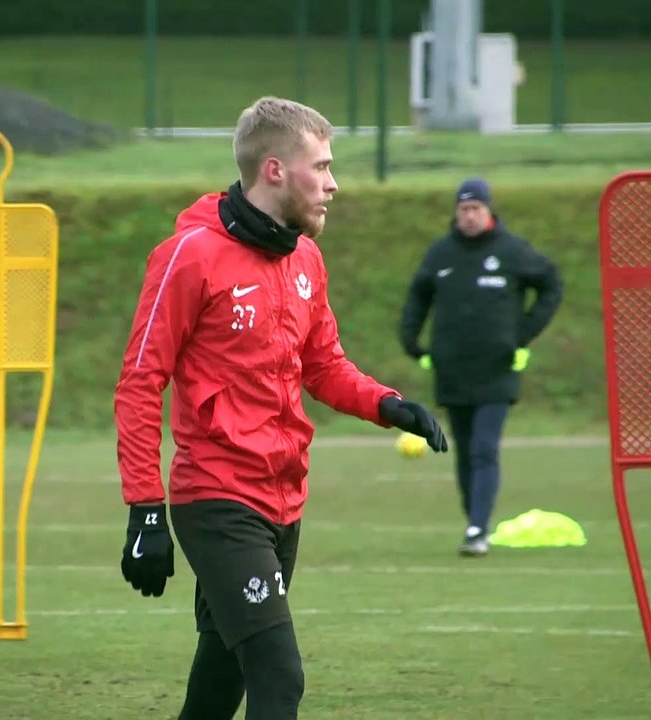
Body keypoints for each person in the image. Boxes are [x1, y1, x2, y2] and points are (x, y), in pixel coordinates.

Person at [113, 96, 449, 720]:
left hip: (282, 498)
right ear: (274, 170)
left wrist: (389, 405)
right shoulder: (189, 256)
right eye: (320, 168)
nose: (333, 184)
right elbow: (139, 381)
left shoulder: (304, 258)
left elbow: (323, 365)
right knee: (279, 676)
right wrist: (144, 509)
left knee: (219, 681)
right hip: (216, 500)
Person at [398, 178, 563, 557]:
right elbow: (418, 297)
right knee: (465, 450)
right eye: (463, 210)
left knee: (485, 448)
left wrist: (521, 334)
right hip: (453, 369)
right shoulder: (441, 254)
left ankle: (477, 527)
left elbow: (552, 285)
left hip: (496, 368)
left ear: (488, 211)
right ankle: (474, 520)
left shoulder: (512, 251)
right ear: (456, 214)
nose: (469, 216)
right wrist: (412, 340)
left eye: (476, 209)